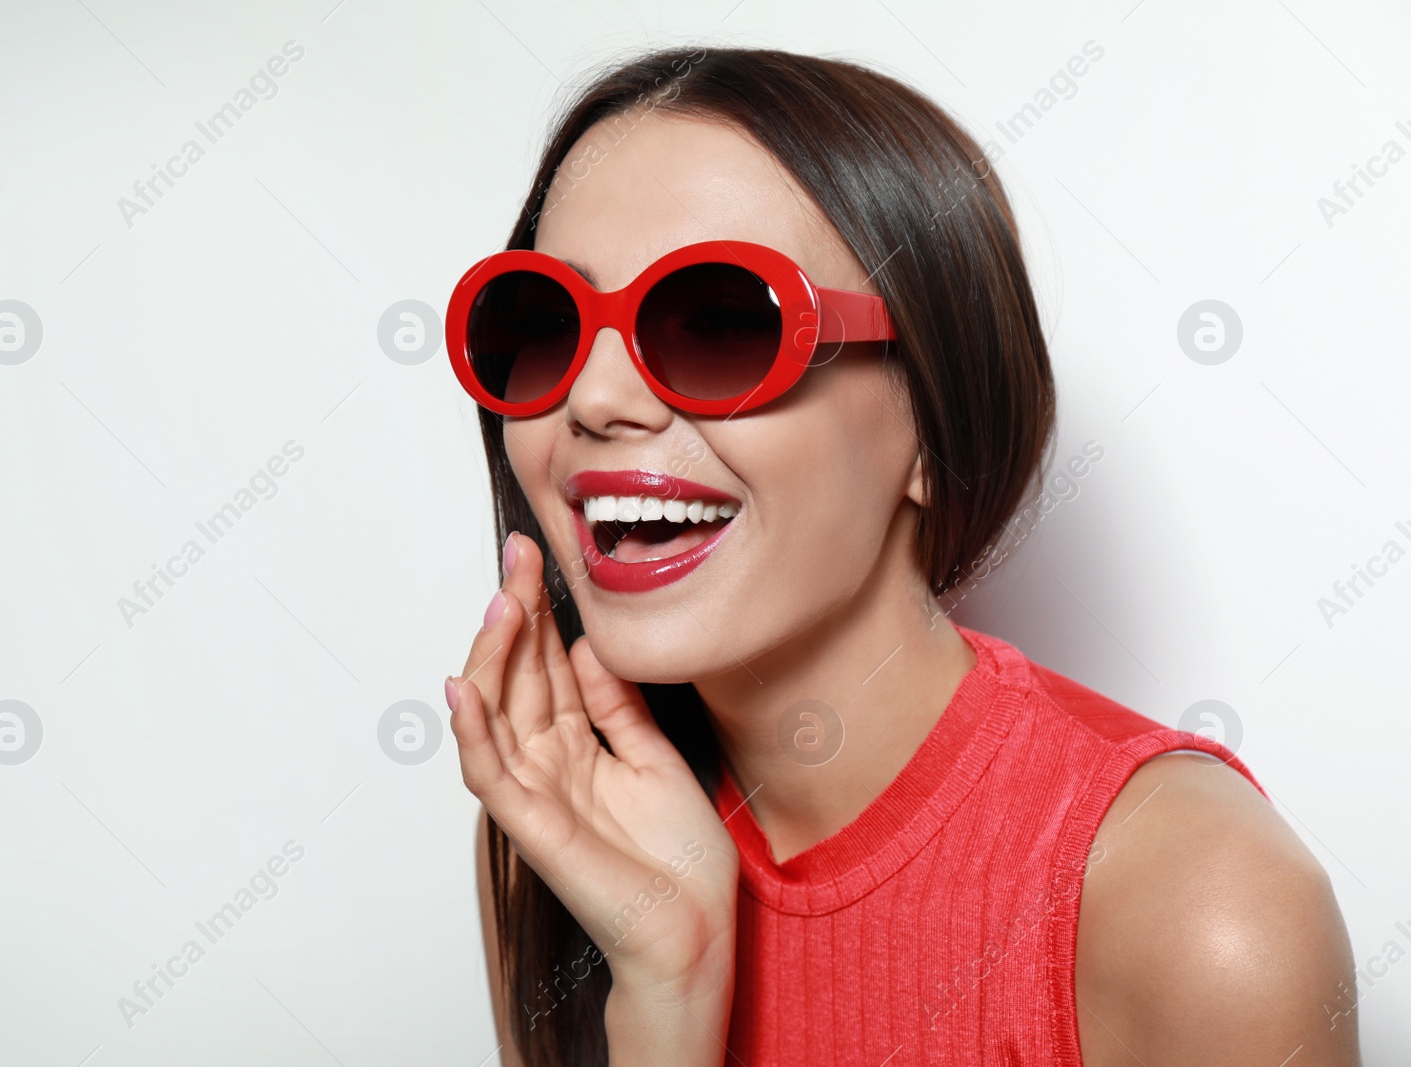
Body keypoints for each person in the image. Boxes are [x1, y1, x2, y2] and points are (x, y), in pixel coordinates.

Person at [441, 45, 1360, 1066]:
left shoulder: (1196, 904)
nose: (595, 399)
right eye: (544, 322)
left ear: (931, 425)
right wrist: (668, 990)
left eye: (719, 320)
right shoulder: (560, 835)